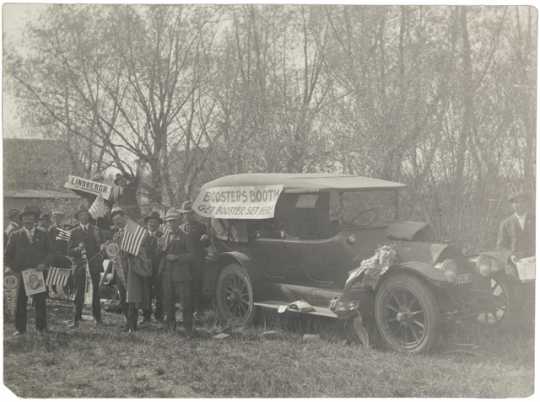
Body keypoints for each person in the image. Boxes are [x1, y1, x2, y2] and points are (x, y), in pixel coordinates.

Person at [4, 206, 51, 335]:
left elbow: (50, 252)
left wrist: (44, 263)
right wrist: (14, 269)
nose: (28, 220)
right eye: (25, 217)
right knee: (21, 301)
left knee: (40, 301)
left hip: (38, 273)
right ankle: (20, 329)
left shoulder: (43, 233)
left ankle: (41, 328)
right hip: (21, 273)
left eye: (31, 217)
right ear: (22, 220)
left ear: (35, 219)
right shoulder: (15, 235)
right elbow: (7, 255)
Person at [110, 207, 152, 333]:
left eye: (119, 219)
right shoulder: (116, 234)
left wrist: (133, 251)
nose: (118, 223)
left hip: (132, 269)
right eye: (115, 221)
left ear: (124, 218)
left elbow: (143, 241)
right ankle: (127, 322)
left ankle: (132, 325)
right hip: (119, 269)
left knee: (132, 298)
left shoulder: (135, 231)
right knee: (122, 298)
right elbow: (114, 251)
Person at [160, 209, 195, 335]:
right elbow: (161, 254)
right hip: (167, 275)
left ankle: (188, 329)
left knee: (185, 303)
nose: (170, 224)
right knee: (168, 302)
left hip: (182, 275)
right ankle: (170, 327)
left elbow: (192, 256)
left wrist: (178, 258)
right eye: (168, 222)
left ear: (178, 222)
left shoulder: (186, 236)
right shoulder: (163, 237)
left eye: (173, 221)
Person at [68, 207, 104, 327]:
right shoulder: (73, 232)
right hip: (79, 266)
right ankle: (76, 318)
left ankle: (97, 318)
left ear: (89, 217)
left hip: (94, 266)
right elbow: (68, 251)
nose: (84, 217)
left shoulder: (96, 230)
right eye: (81, 215)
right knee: (79, 292)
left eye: (86, 215)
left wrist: (102, 249)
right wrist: (78, 249)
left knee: (95, 292)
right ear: (78, 218)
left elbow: (101, 247)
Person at [179, 201, 210, 318]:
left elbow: (207, 243)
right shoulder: (180, 228)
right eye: (185, 214)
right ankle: (188, 311)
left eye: (189, 213)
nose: (187, 216)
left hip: (197, 261)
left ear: (193, 214)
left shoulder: (201, 226)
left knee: (197, 285)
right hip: (184, 262)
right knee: (186, 286)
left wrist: (206, 238)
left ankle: (199, 311)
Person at [497, 191, 535, 261]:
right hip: (514, 264)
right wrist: (511, 256)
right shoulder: (505, 223)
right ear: (512, 205)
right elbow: (501, 246)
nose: (519, 205)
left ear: (527, 203)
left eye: (522, 202)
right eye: (516, 202)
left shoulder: (535, 219)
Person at [142, 211, 164, 322]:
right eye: (150, 222)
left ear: (159, 224)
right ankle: (146, 316)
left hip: (158, 268)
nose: (152, 224)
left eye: (155, 222)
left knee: (159, 292)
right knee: (146, 293)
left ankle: (159, 316)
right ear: (147, 223)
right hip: (145, 269)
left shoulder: (162, 236)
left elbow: (164, 253)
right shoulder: (142, 236)